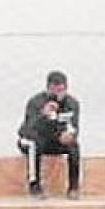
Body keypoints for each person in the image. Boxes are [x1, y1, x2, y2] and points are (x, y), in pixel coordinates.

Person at [17, 70, 82, 198]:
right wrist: (42, 114)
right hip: (33, 139)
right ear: (48, 89)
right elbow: (26, 129)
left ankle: (73, 188)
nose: (58, 94)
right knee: (34, 144)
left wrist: (70, 135)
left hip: (55, 140)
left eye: (61, 90)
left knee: (74, 147)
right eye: (54, 90)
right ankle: (34, 186)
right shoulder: (36, 102)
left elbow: (74, 127)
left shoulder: (71, 104)